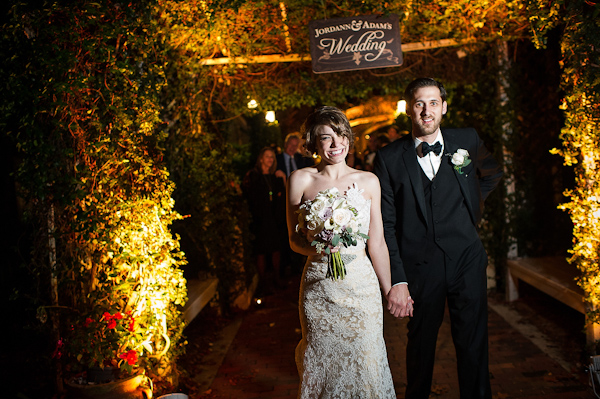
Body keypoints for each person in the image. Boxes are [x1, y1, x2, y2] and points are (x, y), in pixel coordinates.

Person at [374, 77, 503, 399]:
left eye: (433, 103)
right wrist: (397, 279)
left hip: (466, 257)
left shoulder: (467, 140)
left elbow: (492, 173)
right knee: (420, 344)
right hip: (421, 264)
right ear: (409, 109)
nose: (426, 110)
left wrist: (470, 205)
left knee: (473, 341)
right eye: (419, 103)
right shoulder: (389, 158)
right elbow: (387, 223)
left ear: (444, 107)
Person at [287, 106, 400, 398]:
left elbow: (377, 243)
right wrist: (320, 245)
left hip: (361, 288)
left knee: (365, 362)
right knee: (322, 362)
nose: (336, 144)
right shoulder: (300, 180)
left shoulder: (368, 181)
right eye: (327, 138)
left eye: (341, 136)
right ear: (314, 142)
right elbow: (294, 241)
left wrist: (390, 291)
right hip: (318, 287)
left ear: (349, 139)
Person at [242, 147, 287, 295]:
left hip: (274, 218)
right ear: (261, 158)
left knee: (276, 249)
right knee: (261, 250)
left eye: (272, 157)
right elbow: (249, 197)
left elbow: (284, 196)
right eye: (267, 156)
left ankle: (276, 277)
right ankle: (262, 282)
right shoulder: (254, 175)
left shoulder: (275, 176)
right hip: (260, 218)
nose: (270, 159)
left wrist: (284, 179)